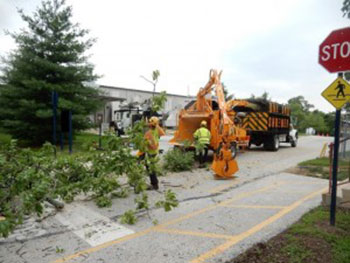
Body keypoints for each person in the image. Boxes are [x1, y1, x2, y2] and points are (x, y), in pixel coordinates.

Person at [142, 116, 165, 190]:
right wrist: (156, 125)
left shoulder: (148, 133)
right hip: (155, 152)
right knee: (151, 167)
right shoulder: (157, 130)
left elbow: (148, 144)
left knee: (150, 168)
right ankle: (154, 183)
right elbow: (162, 133)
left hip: (151, 152)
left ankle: (154, 184)